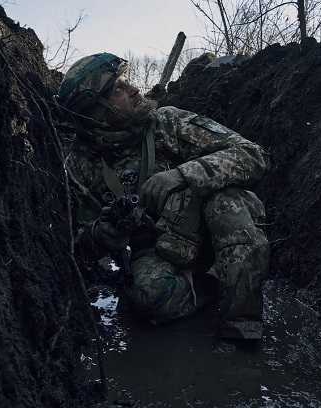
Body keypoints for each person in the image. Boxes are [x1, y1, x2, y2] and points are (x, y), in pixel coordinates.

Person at [55, 52, 270, 343]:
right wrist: (102, 236)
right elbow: (74, 242)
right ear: (98, 116)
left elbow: (252, 155)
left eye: (126, 81)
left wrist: (183, 174)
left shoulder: (167, 124)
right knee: (148, 296)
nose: (133, 89)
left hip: (212, 228)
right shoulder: (79, 166)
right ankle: (217, 285)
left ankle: (243, 326)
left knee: (226, 204)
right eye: (118, 89)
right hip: (159, 250)